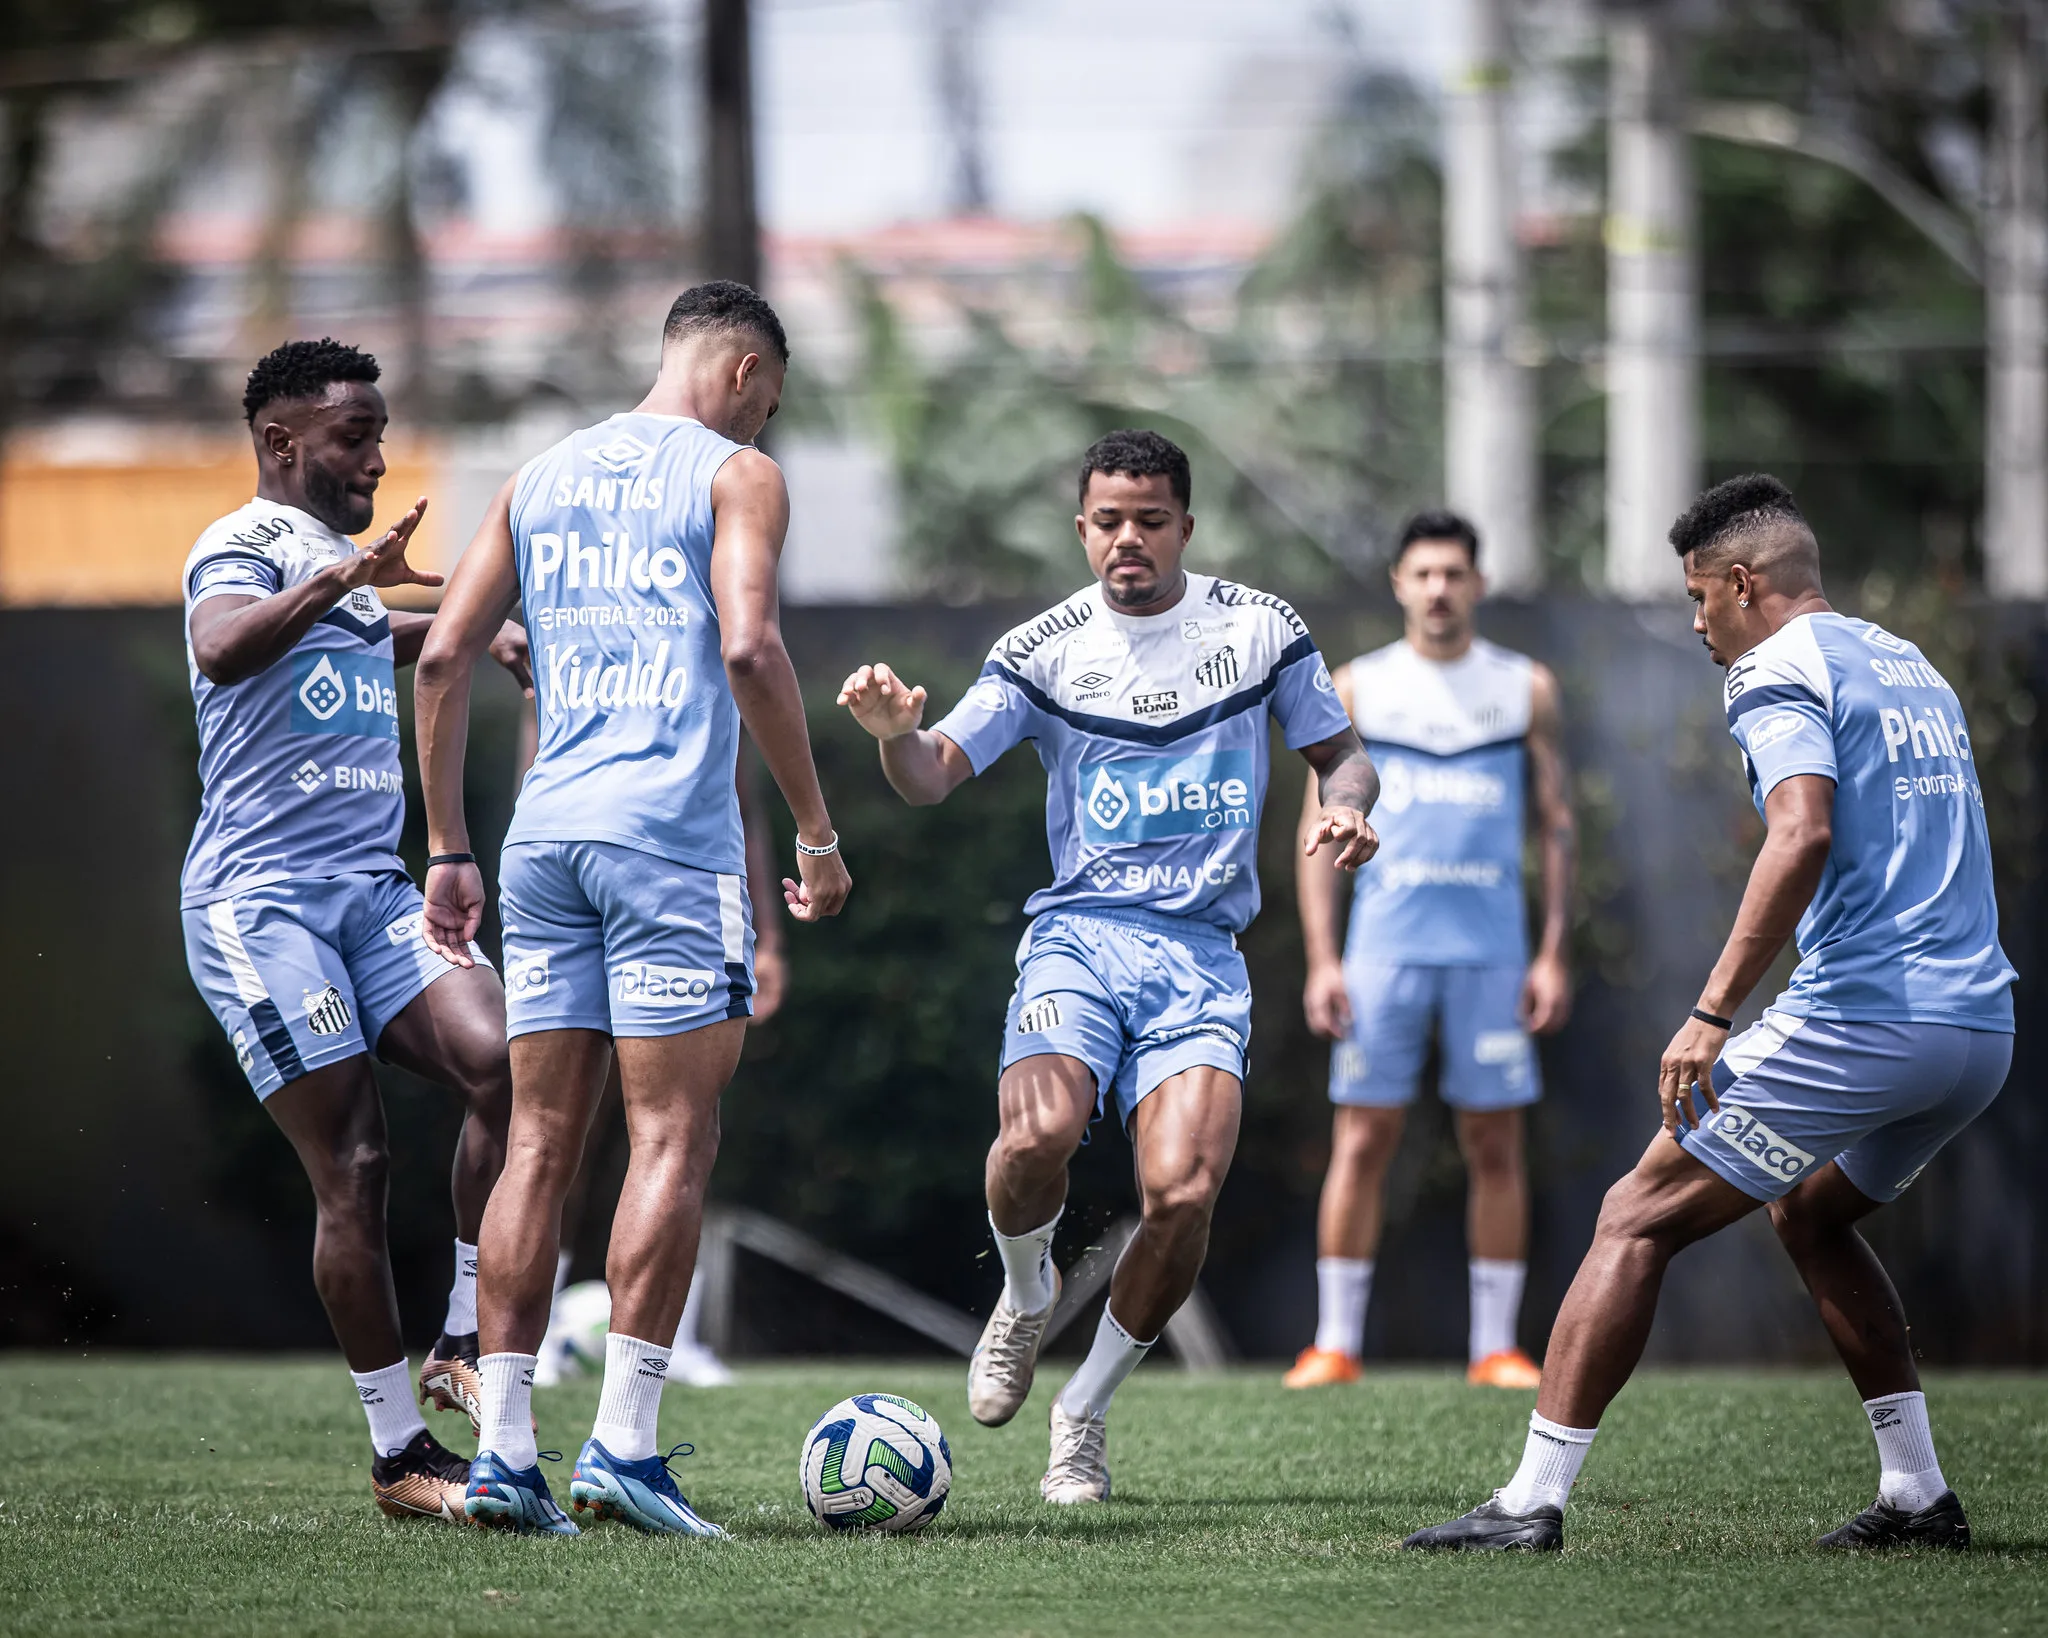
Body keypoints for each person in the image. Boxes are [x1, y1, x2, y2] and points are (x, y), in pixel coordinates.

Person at [1404, 474, 2014, 1552]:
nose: (1695, 624)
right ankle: (1916, 1495)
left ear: (1743, 583)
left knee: (1630, 1218)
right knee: (1809, 1213)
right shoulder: (1905, 663)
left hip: (1862, 1019)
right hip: (1975, 1028)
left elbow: (1799, 831)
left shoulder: (1774, 668)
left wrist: (1709, 1012)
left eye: (1697, 599)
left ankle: (1528, 1502)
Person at [838, 429, 1378, 1504]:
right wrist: (895, 735)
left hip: (1199, 958)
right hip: (1079, 939)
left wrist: (1349, 811)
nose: (1127, 539)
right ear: (1080, 529)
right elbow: (932, 776)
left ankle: (1080, 1414)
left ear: (1185, 525)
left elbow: (1340, 755)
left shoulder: (1260, 630)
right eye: (1106, 521)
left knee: (1179, 1195)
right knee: (1032, 1137)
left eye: (1149, 519)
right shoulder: (1041, 648)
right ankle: (1026, 1295)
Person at [413, 281, 850, 1538]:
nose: (766, 419)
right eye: (769, 398)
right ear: (750, 374)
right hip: (668, 849)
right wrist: (817, 838)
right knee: (673, 1139)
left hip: (542, 842)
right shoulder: (736, 475)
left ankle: (501, 1454)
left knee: (540, 1142)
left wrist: (447, 845)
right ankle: (624, 1448)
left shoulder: (538, 475)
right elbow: (752, 651)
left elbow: (443, 656)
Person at [178, 338, 530, 1522]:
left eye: (379, 435)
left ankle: (465, 1338)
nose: (375, 458)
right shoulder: (238, 542)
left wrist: (463, 627)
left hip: (372, 892)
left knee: (508, 1067)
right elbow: (225, 648)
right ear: (281, 442)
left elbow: (352, 628)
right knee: (359, 1162)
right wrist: (349, 582)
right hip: (260, 902)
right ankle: (398, 1456)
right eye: (352, 437)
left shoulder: (338, 562)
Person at [1285, 510, 1575, 1391]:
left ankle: (1495, 1348)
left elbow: (1556, 827)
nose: (1440, 589)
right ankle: (1334, 1345)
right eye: (1424, 574)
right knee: (1362, 1139)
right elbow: (1314, 827)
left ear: (1477, 584)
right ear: (1399, 584)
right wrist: (1324, 959)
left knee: (1495, 1143)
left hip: (1492, 956)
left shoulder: (1524, 687)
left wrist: (1552, 951)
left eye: (1455, 573)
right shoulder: (1359, 688)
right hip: (1382, 955)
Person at [532, 743, 789, 1390]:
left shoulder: (695, 652)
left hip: (634, 876)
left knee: (682, 1127)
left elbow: (742, 798)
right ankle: (530, 1339)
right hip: (623, 875)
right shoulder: (562, 644)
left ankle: (678, 1336)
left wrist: (771, 936)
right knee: (579, 1135)